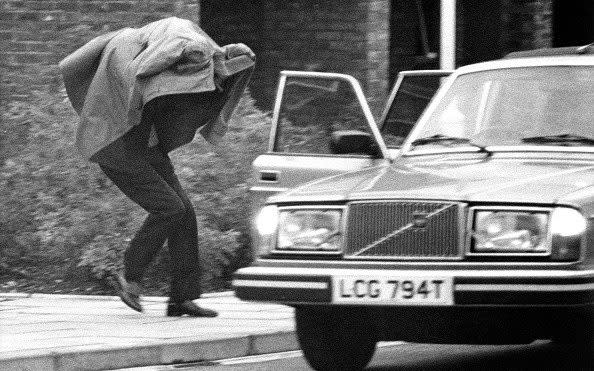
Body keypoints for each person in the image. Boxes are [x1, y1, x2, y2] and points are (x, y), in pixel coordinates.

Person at [59, 17, 255, 316]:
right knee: (170, 209)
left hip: (146, 148)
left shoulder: (173, 74)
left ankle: (181, 299)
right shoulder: (141, 63)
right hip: (117, 150)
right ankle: (130, 276)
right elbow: (143, 76)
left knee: (185, 213)